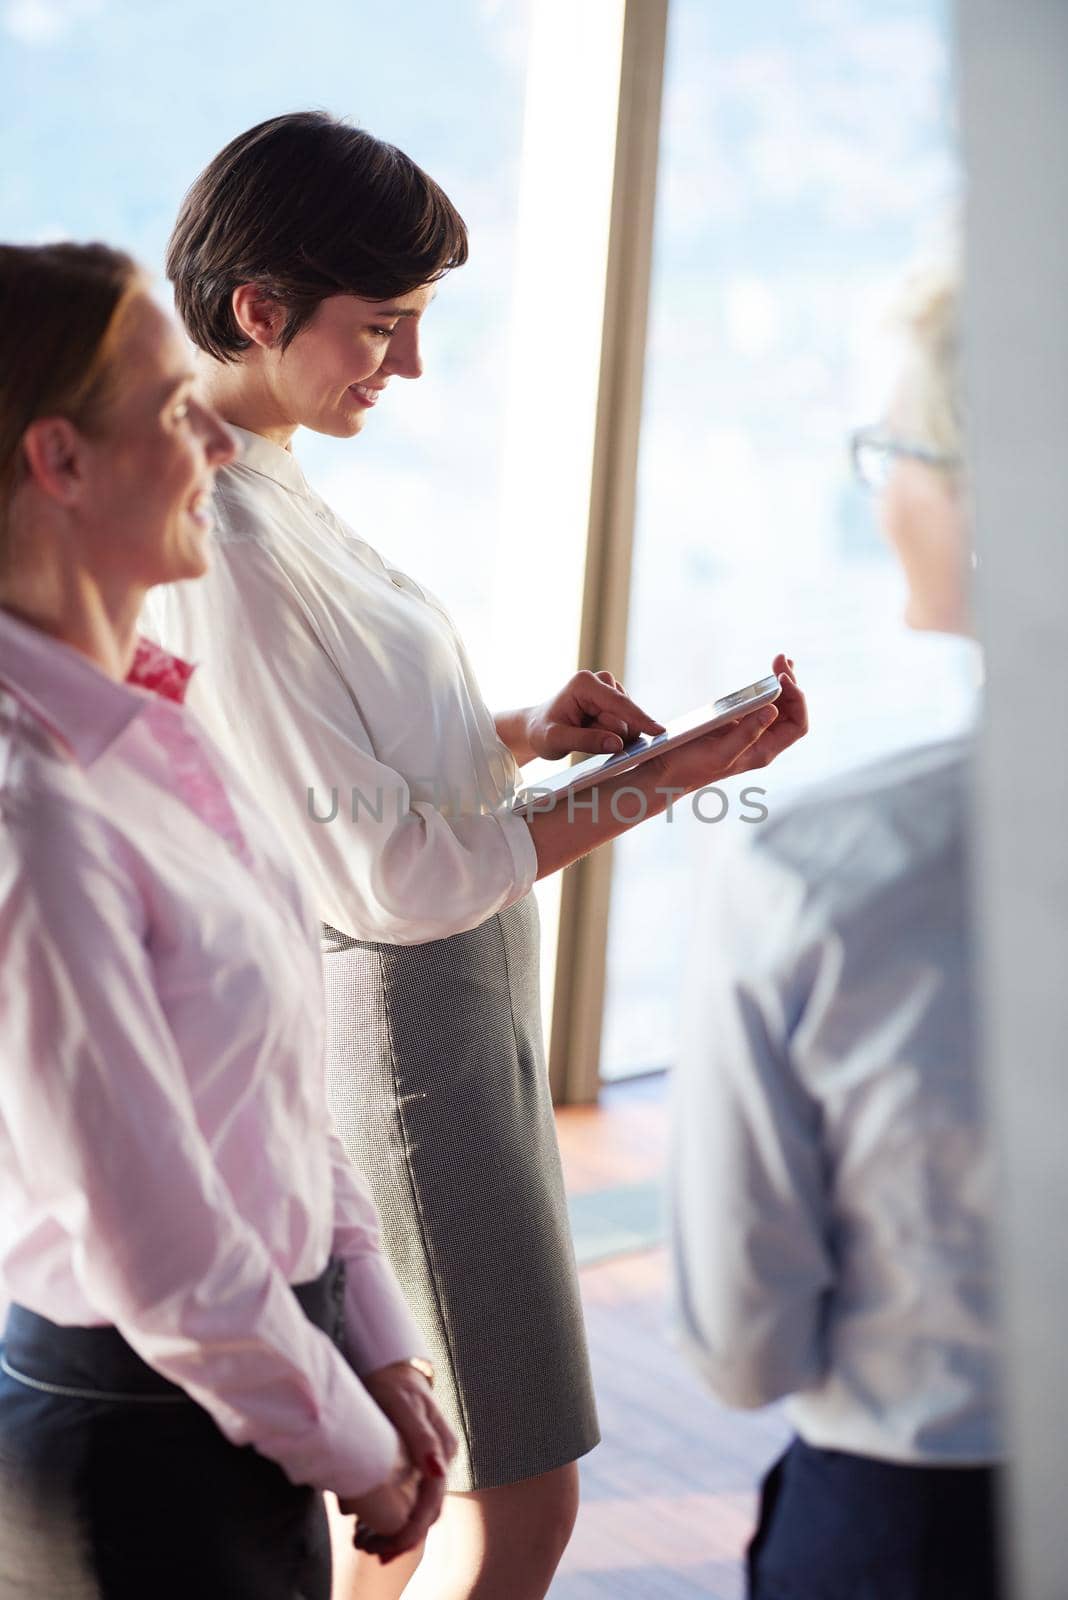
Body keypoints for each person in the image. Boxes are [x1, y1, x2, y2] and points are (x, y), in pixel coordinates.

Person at [146, 111, 809, 1600]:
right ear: (262, 311)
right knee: (520, 1507)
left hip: (451, 1020)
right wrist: (673, 774)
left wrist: (513, 729)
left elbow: (331, 777)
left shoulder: (262, 469)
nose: (412, 367)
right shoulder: (227, 536)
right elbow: (391, 883)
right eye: (384, 327)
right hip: (408, 1040)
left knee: (420, 1482)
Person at [0, 240, 457, 1600]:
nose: (214, 431)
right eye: (166, 403)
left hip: (259, 1388)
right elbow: (158, 1244)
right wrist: (348, 1443)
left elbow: (269, 1090)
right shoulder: (35, 816)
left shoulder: (161, 724)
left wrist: (374, 1338)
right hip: (133, 1455)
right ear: (58, 461)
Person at [671, 261, 1003, 1600]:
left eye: (898, 451)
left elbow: (744, 1346)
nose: (881, 492)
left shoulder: (823, 876)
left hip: (913, 1528)